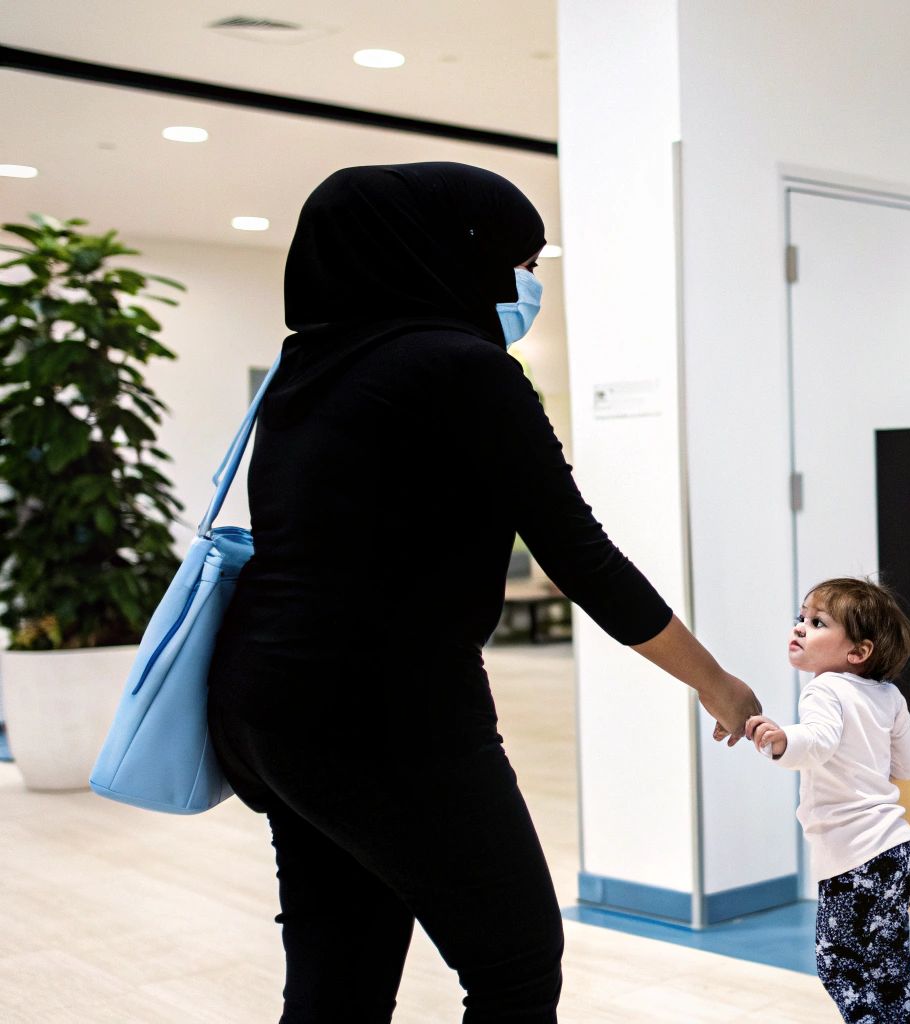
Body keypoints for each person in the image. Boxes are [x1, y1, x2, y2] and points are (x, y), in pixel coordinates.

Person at [206, 162, 762, 1023]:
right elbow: (581, 554)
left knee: (338, 970)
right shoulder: (462, 369)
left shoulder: (306, 368)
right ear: (456, 256)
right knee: (516, 965)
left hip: (264, 703)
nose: (530, 284)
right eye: (522, 262)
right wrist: (714, 682)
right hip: (389, 707)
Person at [745, 577, 910, 1024]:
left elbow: (818, 742)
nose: (801, 628)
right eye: (801, 617)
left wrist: (783, 741)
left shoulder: (824, 688)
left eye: (818, 622)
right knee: (888, 966)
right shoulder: (888, 695)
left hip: (855, 858)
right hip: (897, 851)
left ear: (858, 652)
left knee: (840, 964)